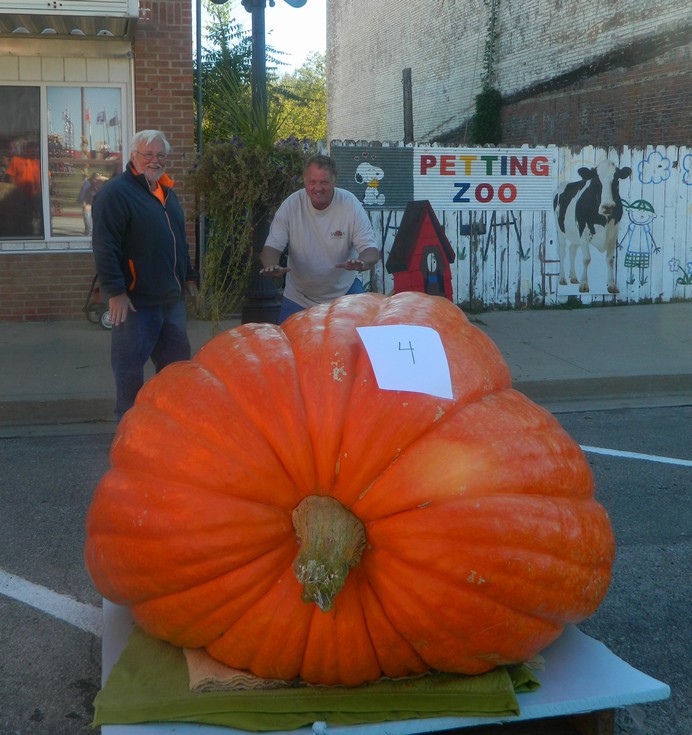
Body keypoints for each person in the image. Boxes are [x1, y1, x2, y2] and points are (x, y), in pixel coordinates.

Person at [92, 130, 199, 421]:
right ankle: (129, 432)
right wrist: (116, 292)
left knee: (177, 371)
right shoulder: (115, 194)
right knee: (129, 374)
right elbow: (105, 246)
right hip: (135, 304)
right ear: (133, 157)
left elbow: (179, 240)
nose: (155, 160)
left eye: (160, 155)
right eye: (148, 154)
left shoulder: (167, 193)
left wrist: (189, 277)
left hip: (171, 301)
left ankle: (173, 427)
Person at [260, 154, 380, 323]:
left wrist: (363, 262)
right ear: (304, 180)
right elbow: (272, 246)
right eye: (312, 182)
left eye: (324, 182)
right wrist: (271, 265)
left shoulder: (350, 204)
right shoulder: (291, 205)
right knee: (287, 338)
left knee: (361, 335)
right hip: (299, 297)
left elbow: (370, 250)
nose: (318, 188)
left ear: (334, 181)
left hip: (345, 292)